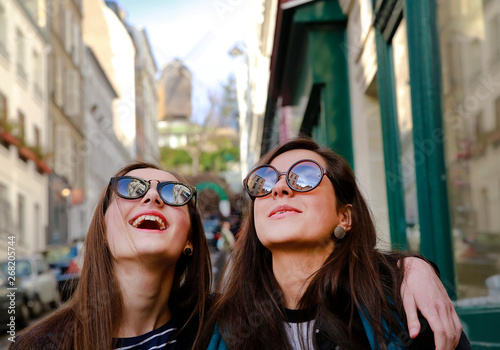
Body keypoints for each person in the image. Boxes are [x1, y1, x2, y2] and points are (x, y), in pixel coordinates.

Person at [200, 138, 470, 350]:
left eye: (305, 176)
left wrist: (411, 269)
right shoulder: (218, 325)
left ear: (345, 217)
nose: (279, 188)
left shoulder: (401, 304)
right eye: (265, 181)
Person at [10, 161, 211, 350]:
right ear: (103, 231)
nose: (152, 197)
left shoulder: (220, 332)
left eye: (174, 193)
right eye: (130, 188)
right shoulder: (37, 345)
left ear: (189, 239)